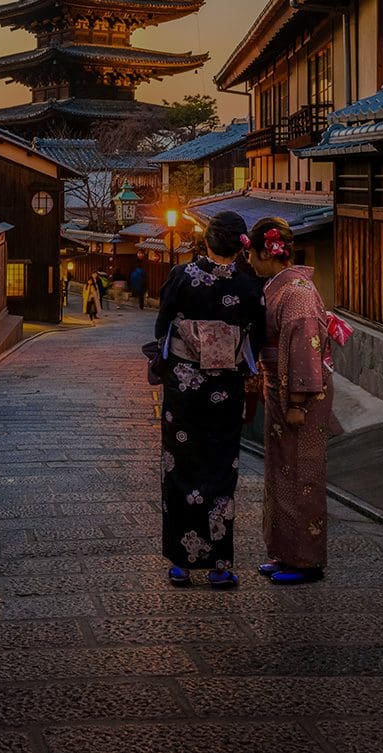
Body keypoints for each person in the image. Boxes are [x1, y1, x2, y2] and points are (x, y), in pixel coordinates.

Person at [153, 211, 265, 588]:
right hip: (225, 389)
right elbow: (257, 336)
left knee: (180, 466)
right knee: (220, 469)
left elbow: (163, 324)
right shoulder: (249, 285)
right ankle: (220, 564)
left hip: (184, 388)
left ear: (206, 240)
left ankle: (181, 563)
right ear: (240, 245)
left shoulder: (181, 276)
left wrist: (175, 352)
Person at [246, 216, 333, 584]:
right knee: (281, 471)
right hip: (280, 389)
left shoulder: (295, 292)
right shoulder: (279, 287)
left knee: (302, 473)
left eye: (252, 253)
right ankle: (284, 552)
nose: (249, 260)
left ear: (269, 250)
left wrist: (297, 401)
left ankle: (306, 560)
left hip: (301, 397)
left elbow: (304, 347)